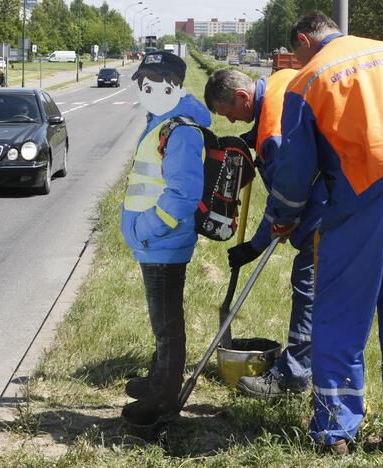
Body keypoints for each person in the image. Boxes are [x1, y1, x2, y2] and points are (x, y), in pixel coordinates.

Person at [266, 11, 383, 456]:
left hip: (363, 197)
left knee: (341, 314)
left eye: (296, 50)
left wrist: (283, 217)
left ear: (305, 39)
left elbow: (293, 169)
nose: (296, 58)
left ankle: (335, 432)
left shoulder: (308, 79)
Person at [203, 68, 327, 399]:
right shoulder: (280, 80)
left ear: (244, 97)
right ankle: (319, 374)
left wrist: (256, 245)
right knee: (324, 297)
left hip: (325, 210)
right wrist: (251, 137)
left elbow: (285, 200)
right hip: (342, 194)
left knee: (308, 290)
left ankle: (293, 377)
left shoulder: (272, 131)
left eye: (230, 114)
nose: (230, 122)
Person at [120, 51, 209, 426]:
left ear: (172, 85)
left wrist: (147, 228)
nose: (146, 90)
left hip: (163, 242)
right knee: (162, 320)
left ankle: (164, 397)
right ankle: (159, 379)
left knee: (167, 323)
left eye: (153, 83)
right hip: (155, 244)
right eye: (143, 83)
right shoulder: (162, 121)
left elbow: (184, 193)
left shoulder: (180, 130)